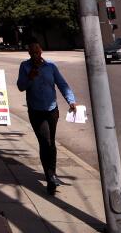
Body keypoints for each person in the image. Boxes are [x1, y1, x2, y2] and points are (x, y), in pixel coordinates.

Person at [15, 42, 76, 192]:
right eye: (32, 52)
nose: (36, 55)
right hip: (36, 111)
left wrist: (71, 101)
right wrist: (30, 77)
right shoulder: (25, 66)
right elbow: (21, 86)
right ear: (29, 53)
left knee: (51, 142)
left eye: (37, 52)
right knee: (45, 142)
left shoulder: (51, 67)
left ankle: (52, 174)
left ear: (41, 51)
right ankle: (50, 178)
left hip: (51, 110)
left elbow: (62, 84)